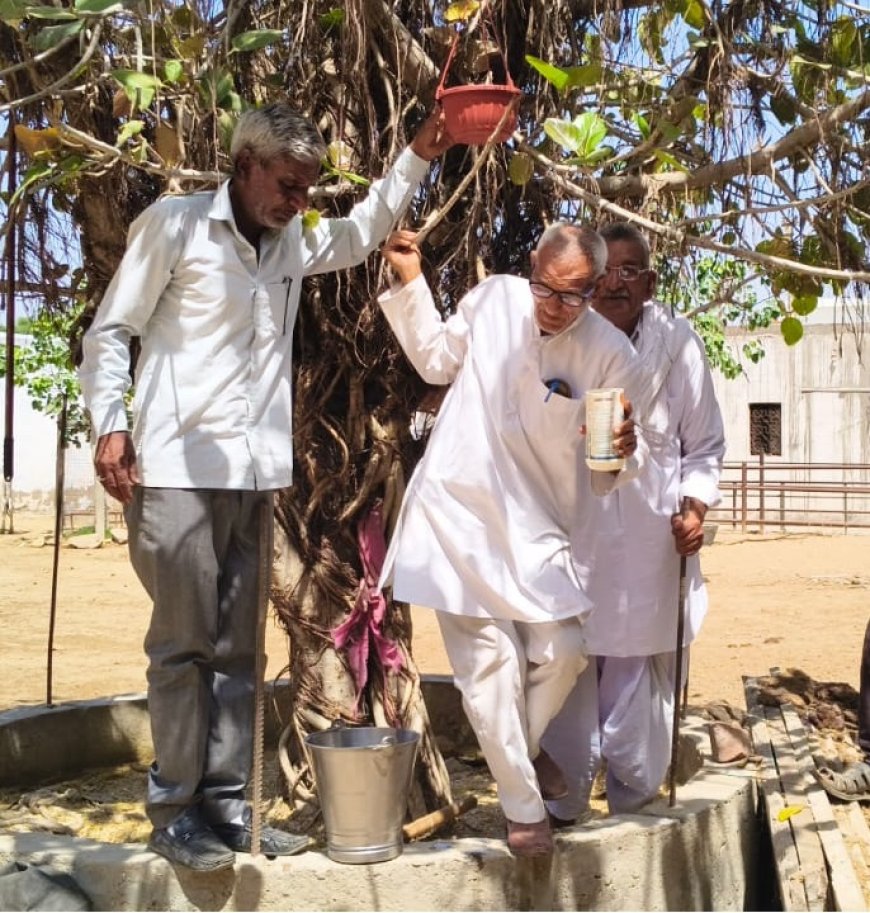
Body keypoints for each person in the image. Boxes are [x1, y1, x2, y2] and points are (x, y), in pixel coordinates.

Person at [77, 103, 453, 872]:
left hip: (254, 478)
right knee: (183, 647)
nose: (299, 203)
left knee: (240, 651)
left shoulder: (289, 242)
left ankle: (228, 806)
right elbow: (112, 330)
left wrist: (418, 149)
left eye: (308, 190)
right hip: (178, 470)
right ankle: (175, 808)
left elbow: (359, 233)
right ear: (244, 167)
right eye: (287, 185)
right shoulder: (175, 226)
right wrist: (111, 423)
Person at [377, 224, 643, 857]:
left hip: (540, 529)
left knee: (565, 647)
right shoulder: (495, 297)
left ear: (597, 287)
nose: (552, 306)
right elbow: (437, 360)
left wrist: (619, 455)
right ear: (531, 267)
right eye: (544, 288)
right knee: (489, 667)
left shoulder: (612, 355)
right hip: (457, 512)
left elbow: (605, 474)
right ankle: (525, 810)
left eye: (572, 296)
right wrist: (412, 279)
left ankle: (518, 754)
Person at [541, 221, 726, 822]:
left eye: (630, 272)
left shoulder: (677, 343)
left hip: (651, 544)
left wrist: (694, 509)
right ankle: (563, 803)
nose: (615, 284)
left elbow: (704, 446)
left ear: (648, 282)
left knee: (637, 671)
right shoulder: (564, 337)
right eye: (606, 273)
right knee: (565, 663)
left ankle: (636, 805)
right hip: (574, 536)